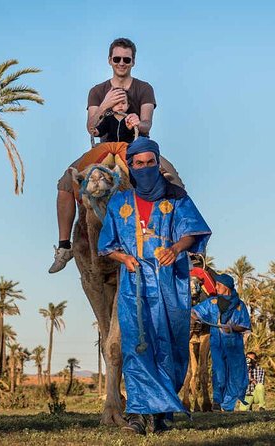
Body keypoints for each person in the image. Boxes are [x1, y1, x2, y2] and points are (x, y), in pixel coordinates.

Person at [97, 137, 211, 435]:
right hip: (134, 282)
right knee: (137, 342)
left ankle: (163, 411)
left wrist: (176, 249)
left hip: (170, 280)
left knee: (170, 343)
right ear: (131, 168)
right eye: (139, 164)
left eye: (151, 163)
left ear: (158, 164)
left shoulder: (177, 197)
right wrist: (123, 257)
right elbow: (107, 244)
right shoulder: (120, 202)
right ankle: (136, 413)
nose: (145, 168)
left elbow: (193, 231)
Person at [50, 37, 157, 273]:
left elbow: (148, 122)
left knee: (168, 178)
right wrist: (105, 105)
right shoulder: (98, 91)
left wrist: (139, 120)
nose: (121, 63)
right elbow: (91, 126)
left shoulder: (144, 88)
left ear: (133, 62)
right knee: (66, 183)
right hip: (104, 147)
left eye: (126, 59)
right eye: (117, 58)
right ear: (110, 60)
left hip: (135, 145)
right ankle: (64, 245)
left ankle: (181, 243)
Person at [192, 273, 251, 412]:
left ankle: (228, 406)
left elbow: (245, 325)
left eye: (218, 285)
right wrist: (192, 316)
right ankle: (217, 402)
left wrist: (232, 328)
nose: (216, 287)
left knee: (234, 376)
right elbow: (196, 311)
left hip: (234, 346)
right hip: (217, 345)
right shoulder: (212, 303)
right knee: (219, 373)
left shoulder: (240, 306)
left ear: (226, 287)